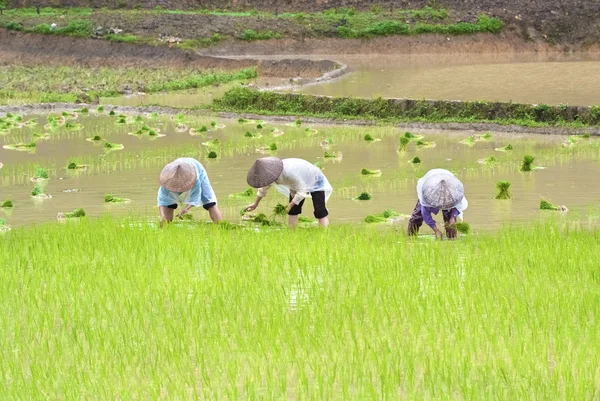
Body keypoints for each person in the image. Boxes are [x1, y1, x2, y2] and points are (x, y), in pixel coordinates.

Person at [244, 157, 333, 228]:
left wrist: (289, 205)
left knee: (320, 209)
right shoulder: (270, 174)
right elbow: (263, 189)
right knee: (293, 211)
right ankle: (292, 233)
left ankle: (323, 233)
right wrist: (255, 204)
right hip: (297, 182)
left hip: (315, 178)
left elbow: (302, 192)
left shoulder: (289, 173)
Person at [157, 157, 222, 226]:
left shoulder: (194, 179)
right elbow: (162, 201)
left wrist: (186, 209)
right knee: (169, 205)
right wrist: (162, 216)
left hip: (197, 169)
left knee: (209, 203)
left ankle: (220, 226)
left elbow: (195, 197)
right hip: (175, 172)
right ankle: (165, 228)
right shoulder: (166, 181)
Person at [407, 168, 468, 240]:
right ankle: (411, 239)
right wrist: (436, 230)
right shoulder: (427, 194)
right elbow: (425, 214)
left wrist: (452, 217)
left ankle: (452, 240)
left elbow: (458, 205)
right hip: (430, 186)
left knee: (451, 224)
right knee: (416, 217)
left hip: (449, 187)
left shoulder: (455, 192)